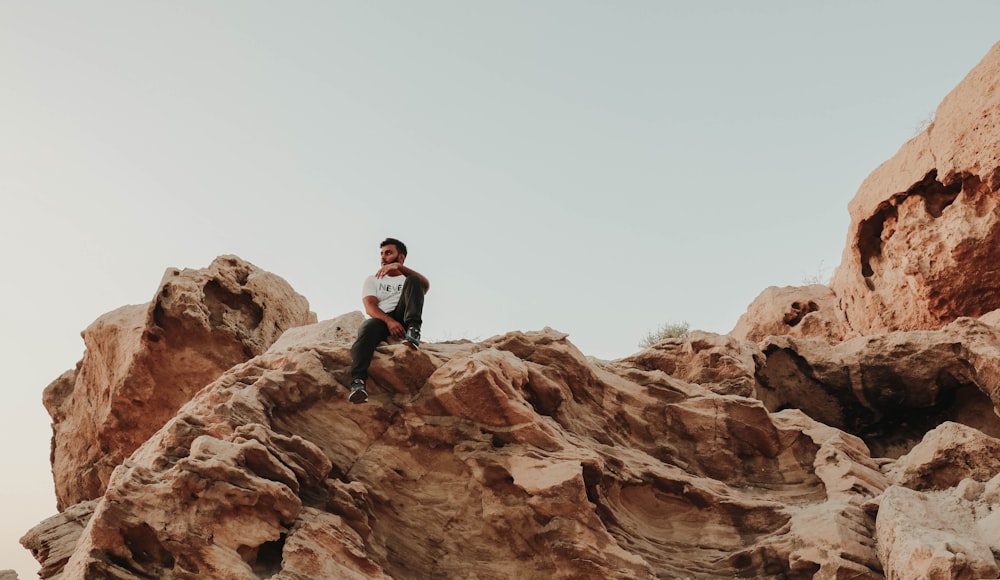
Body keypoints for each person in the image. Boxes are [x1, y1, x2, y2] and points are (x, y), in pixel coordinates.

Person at [349, 237, 430, 404]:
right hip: (382, 319)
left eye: (388, 253)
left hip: (404, 315)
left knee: (414, 280)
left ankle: (414, 332)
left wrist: (400, 268)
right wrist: (389, 322)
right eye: (381, 254)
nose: (383, 257)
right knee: (366, 328)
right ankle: (358, 383)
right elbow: (370, 308)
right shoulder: (373, 279)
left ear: (400, 257)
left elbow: (425, 285)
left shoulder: (408, 278)